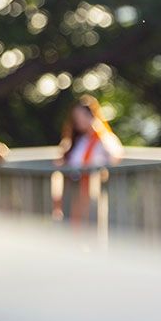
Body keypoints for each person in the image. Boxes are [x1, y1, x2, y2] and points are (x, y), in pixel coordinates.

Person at [55, 95, 124, 225]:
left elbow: (115, 156)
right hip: (72, 190)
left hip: (93, 190)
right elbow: (63, 159)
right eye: (76, 117)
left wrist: (98, 131)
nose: (79, 120)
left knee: (91, 225)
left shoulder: (104, 138)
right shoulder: (77, 140)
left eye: (82, 116)